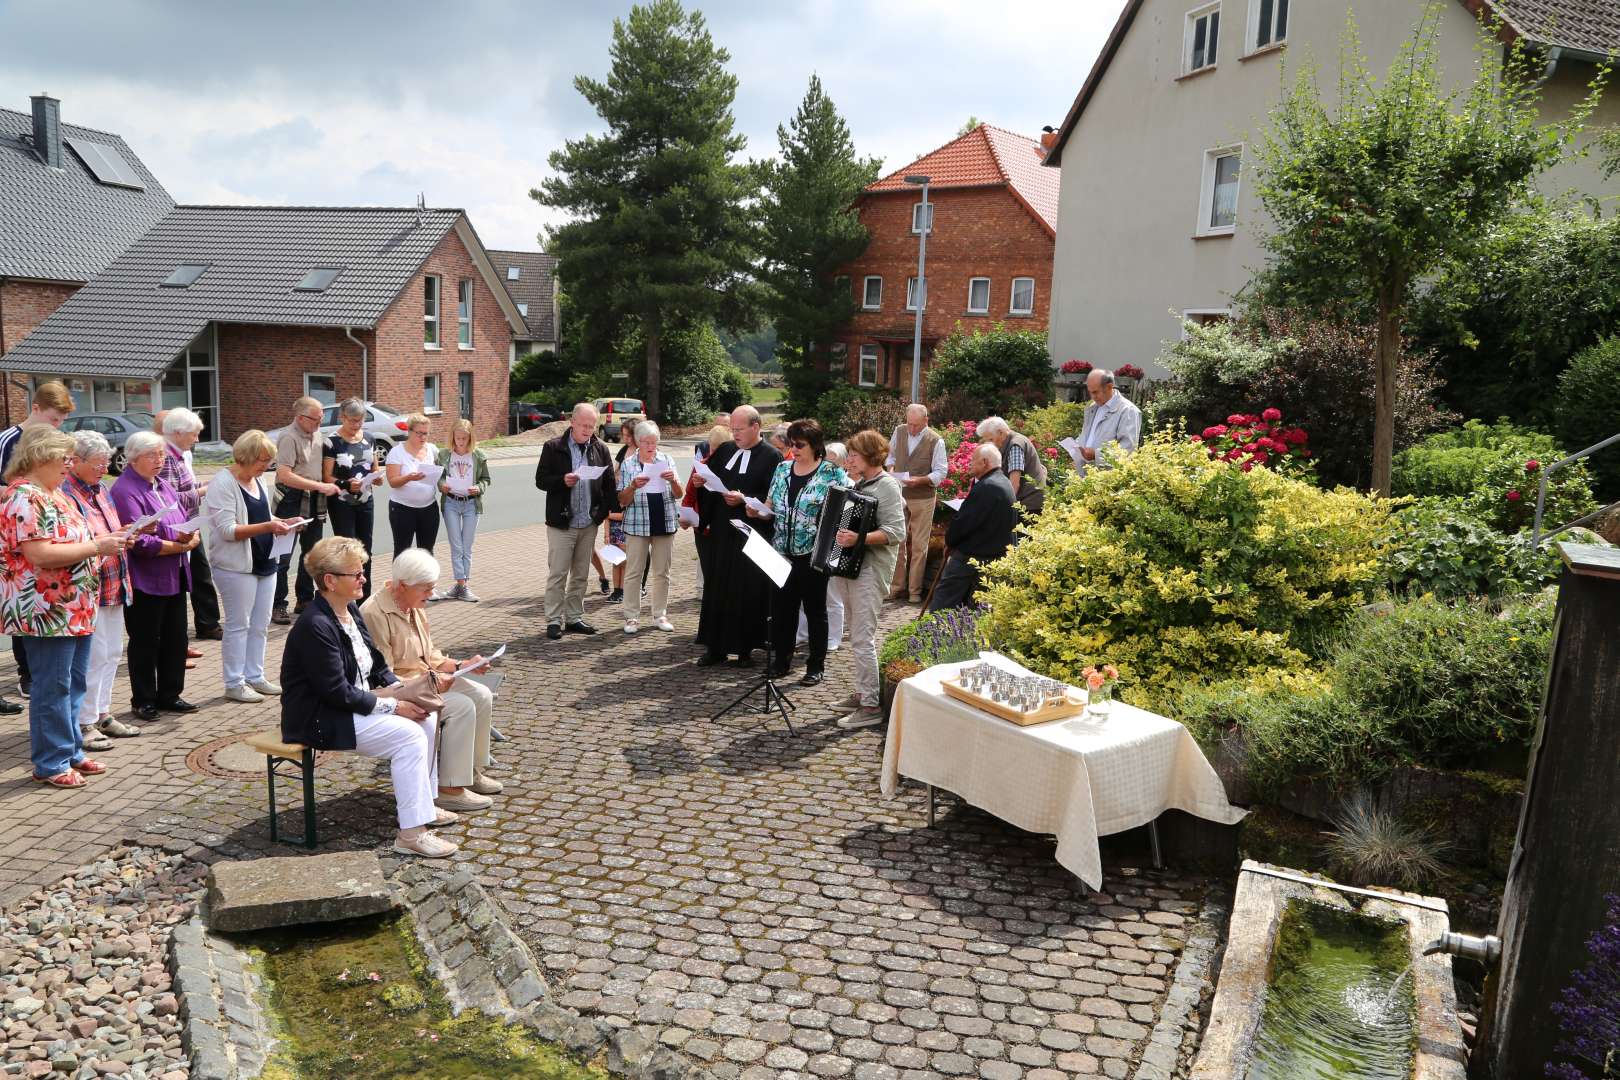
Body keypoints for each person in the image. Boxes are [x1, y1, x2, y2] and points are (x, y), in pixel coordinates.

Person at [281, 537, 459, 858]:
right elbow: (336, 692)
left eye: (363, 571)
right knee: (408, 737)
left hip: (355, 705)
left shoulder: (348, 609)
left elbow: (377, 665)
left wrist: (402, 690)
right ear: (330, 580)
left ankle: (425, 807)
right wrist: (394, 704)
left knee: (426, 714)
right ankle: (411, 834)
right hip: (321, 717)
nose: (363, 578)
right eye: (356, 574)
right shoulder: (316, 625)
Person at [2, 426, 131, 787]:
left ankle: (70, 749)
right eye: (65, 457)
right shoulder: (26, 497)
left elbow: (75, 539)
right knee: (52, 686)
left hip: (73, 606)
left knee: (74, 683)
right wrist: (97, 548)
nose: (70, 464)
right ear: (40, 456)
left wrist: (104, 539)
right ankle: (50, 762)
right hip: (46, 609)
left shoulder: (52, 493)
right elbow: (39, 553)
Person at [361, 548, 501, 813]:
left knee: (480, 695)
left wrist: (462, 665)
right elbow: (384, 677)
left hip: (426, 680)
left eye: (432, 588)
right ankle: (449, 788)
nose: (431, 595)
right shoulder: (374, 613)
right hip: (400, 691)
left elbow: (431, 655)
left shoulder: (413, 605)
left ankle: (469, 773)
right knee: (460, 705)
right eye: (426, 589)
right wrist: (432, 681)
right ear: (402, 586)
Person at [110, 431, 200, 721]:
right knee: (146, 641)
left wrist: (193, 534)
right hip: (146, 578)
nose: (159, 460)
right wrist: (181, 545)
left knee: (175, 638)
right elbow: (141, 542)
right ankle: (144, 699)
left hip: (174, 573)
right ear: (133, 458)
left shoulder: (162, 484)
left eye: (161, 454)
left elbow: (183, 520)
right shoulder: (125, 490)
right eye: (152, 455)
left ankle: (170, 694)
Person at [205, 430, 298, 704]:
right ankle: (234, 682)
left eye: (269, 461)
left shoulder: (256, 480)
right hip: (236, 566)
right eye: (262, 460)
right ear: (244, 457)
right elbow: (227, 530)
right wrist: (269, 526)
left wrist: (282, 520)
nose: (265, 466)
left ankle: (254, 675)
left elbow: (260, 513)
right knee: (238, 625)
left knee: (259, 625)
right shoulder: (223, 483)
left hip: (264, 560)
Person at [0, 380, 75, 712]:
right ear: (35, 408)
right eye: (52, 418)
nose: (56, 426)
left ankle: (34, 671)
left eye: (60, 421)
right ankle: (26, 672)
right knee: (23, 602)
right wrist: (26, 497)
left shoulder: (53, 446)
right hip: (15, 539)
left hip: (40, 532)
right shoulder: (7, 441)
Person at [62, 430, 141, 745]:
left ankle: (102, 713)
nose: (104, 467)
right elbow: (75, 541)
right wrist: (103, 543)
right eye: (97, 463)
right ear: (76, 462)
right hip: (88, 585)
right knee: (92, 657)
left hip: (114, 580)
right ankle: (83, 722)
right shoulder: (67, 493)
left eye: (106, 461)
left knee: (111, 652)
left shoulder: (102, 488)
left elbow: (106, 530)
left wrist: (125, 534)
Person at [755, 418, 847, 687]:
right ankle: (781, 661)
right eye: (791, 444)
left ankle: (815, 665)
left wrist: (833, 551)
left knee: (816, 610)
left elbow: (844, 514)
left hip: (813, 554)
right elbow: (770, 504)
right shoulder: (783, 469)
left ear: (816, 445)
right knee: (783, 610)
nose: (794, 449)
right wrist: (756, 509)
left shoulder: (833, 474)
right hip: (781, 551)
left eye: (800, 445)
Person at [693, 406, 783, 667]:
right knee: (717, 586)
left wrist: (743, 499)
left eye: (740, 429)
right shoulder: (725, 450)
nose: (735, 434)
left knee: (747, 590)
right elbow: (712, 483)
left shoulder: (772, 456)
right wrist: (702, 485)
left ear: (756, 427)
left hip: (750, 532)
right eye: (732, 429)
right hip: (722, 530)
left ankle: (745, 649)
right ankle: (716, 647)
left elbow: (772, 498)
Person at [829, 430, 907, 729]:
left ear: (871, 456)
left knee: (863, 639)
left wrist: (858, 538)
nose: (849, 459)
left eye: (854, 455)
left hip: (871, 571)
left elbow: (897, 532)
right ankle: (863, 692)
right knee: (856, 635)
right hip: (851, 568)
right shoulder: (861, 484)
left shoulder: (887, 486)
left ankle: (871, 705)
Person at [536, 403, 615, 639]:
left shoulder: (600, 448)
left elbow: (610, 483)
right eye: (583, 425)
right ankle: (553, 620)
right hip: (562, 522)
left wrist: (600, 515)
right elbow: (540, 480)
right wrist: (562, 480)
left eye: (592, 426)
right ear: (572, 422)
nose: (588, 430)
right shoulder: (553, 447)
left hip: (588, 522)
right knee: (558, 573)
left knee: (581, 574)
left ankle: (573, 617)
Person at [271, 397, 340, 625]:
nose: (320, 423)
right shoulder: (288, 437)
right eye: (316, 419)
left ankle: (305, 599)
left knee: (311, 554)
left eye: (321, 418)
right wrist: (320, 486)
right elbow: (283, 474)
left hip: (314, 498)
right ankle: (278, 605)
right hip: (291, 498)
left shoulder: (317, 433)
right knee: (282, 555)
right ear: (300, 418)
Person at [927, 443, 1018, 613]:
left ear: (984, 462)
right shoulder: (1003, 482)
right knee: (976, 608)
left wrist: (950, 540)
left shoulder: (987, 487)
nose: (969, 463)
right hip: (993, 556)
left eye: (973, 460)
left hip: (972, 556)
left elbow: (964, 523)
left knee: (943, 601)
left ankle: (930, 635)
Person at [157, 409, 222, 641]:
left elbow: (187, 486)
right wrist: (206, 490)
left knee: (200, 574)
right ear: (178, 433)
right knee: (186, 581)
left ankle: (197, 629)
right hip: (178, 529)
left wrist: (211, 481)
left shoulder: (177, 456)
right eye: (194, 435)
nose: (197, 440)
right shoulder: (166, 458)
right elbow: (170, 499)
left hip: (188, 526)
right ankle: (179, 639)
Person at [617, 421, 683, 635]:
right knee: (634, 572)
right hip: (637, 522)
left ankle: (660, 614)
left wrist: (673, 481)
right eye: (646, 442)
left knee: (662, 572)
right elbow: (622, 500)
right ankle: (632, 617)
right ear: (637, 442)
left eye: (654, 442)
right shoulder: (628, 464)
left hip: (664, 521)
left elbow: (679, 493)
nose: (650, 446)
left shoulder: (667, 460)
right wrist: (633, 486)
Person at [323, 398, 386, 601]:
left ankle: (364, 596)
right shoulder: (331, 441)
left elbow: (374, 468)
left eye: (360, 420)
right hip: (342, 503)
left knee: (366, 547)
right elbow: (326, 477)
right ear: (342, 417)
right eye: (352, 420)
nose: (357, 425)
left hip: (366, 500)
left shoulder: (369, 437)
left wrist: (377, 478)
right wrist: (345, 484)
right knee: (348, 550)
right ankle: (346, 596)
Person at [885, 404, 947, 604]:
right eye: (909, 424)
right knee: (897, 542)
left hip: (923, 497)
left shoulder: (936, 440)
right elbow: (890, 456)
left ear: (926, 421)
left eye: (916, 425)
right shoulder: (899, 431)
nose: (911, 428)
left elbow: (940, 472)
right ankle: (896, 588)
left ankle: (915, 591)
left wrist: (920, 480)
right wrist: (892, 469)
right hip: (899, 493)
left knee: (920, 546)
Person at [798, 440, 847, 652]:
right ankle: (802, 633)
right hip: (811, 544)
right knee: (804, 596)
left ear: (844, 464)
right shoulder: (816, 479)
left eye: (834, 462)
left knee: (832, 595)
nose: (829, 465)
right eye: (826, 460)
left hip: (833, 545)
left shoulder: (847, 484)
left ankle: (833, 637)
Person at [435, 418, 490, 602]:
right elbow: (439, 477)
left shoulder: (478, 455)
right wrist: (442, 485)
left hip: (471, 503)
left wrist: (479, 488)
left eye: (464, 439)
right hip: (450, 502)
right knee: (456, 545)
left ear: (470, 438)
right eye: (457, 438)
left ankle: (461, 586)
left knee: (467, 546)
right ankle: (462, 585)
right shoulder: (444, 455)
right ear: (452, 437)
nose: (460, 442)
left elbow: (485, 479)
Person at [592, 417, 639, 597]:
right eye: (623, 435)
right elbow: (615, 471)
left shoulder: (640, 452)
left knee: (628, 558)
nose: (625, 439)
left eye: (628, 436)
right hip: (617, 498)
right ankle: (618, 589)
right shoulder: (623, 451)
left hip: (630, 501)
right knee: (616, 558)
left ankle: (628, 589)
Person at [385, 414, 441, 555]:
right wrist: (409, 478)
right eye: (419, 433)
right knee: (402, 551)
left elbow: (441, 471)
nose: (423, 437)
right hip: (402, 509)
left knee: (427, 551)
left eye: (426, 433)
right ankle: (401, 578)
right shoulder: (396, 452)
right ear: (409, 431)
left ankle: (425, 578)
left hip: (429, 508)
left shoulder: (433, 449)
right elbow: (392, 482)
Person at [688, 422, 731, 604]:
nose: (712, 454)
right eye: (711, 449)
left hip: (726, 530)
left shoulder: (732, 469)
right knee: (709, 575)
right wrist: (686, 516)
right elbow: (689, 494)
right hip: (704, 529)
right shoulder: (702, 465)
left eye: (717, 450)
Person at [976, 416, 1047, 516]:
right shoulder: (1005, 442)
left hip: (1030, 505)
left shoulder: (1015, 445)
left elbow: (1014, 484)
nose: (989, 443)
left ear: (1001, 432)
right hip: (1024, 502)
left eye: (991, 439)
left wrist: (1001, 508)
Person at [1075, 368, 1143, 471]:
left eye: (1095, 392)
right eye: (1090, 392)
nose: (1092, 397)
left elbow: (1127, 452)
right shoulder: (1092, 407)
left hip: (1107, 482)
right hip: (1084, 477)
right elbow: (1087, 436)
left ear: (1109, 387)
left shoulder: (1128, 411)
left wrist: (1096, 455)